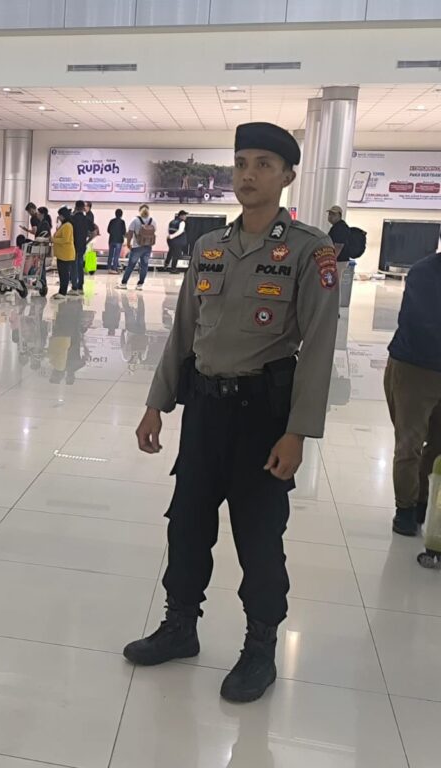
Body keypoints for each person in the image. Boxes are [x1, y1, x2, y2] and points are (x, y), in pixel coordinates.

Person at [126, 122, 340, 704]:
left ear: (287, 175)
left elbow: (319, 346)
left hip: (262, 418)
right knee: (186, 523)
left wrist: (298, 432)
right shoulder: (210, 247)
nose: (248, 174)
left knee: (259, 537)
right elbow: (183, 332)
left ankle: (260, 648)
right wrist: (156, 403)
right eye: (242, 162)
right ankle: (180, 626)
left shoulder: (310, 249)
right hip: (204, 412)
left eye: (263, 164)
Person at [384, 248, 441, 536]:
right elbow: (422, 326)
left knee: (438, 445)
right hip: (415, 368)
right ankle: (405, 508)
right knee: (410, 444)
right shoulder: (425, 273)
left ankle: (422, 502)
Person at [120, 204, 156, 291]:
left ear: (139, 210)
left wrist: (128, 243)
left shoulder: (135, 220)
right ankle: (140, 285)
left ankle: (124, 283)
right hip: (148, 247)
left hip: (137, 247)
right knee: (144, 266)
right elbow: (153, 233)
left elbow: (130, 233)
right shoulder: (152, 221)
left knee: (131, 265)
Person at [52, 206, 76, 297]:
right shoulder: (63, 225)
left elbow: (65, 239)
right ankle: (61, 291)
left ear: (64, 215)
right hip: (62, 254)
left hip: (66, 254)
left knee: (64, 274)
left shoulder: (68, 225)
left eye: (60, 215)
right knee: (62, 274)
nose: (59, 217)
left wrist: (53, 240)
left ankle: (63, 293)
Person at [69, 200, 91, 295]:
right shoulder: (86, 219)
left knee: (73, 265)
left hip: (73, 244)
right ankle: (80, 285)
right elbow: (95, 231)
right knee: (80, 264)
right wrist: (87, 241)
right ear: (83, 208)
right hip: (82, 244)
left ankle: (74, 286)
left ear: (76, 207)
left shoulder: (72, 218)